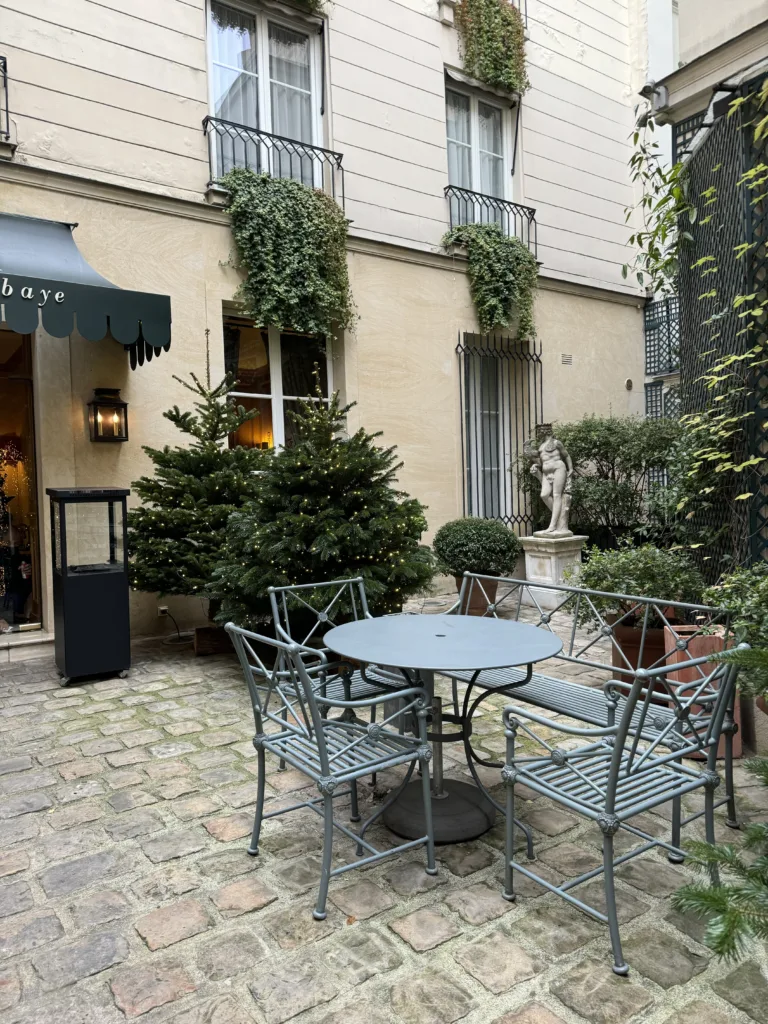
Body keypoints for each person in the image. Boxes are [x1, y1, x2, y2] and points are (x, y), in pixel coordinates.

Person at [527, 434, 573, 535]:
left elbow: (566, 455)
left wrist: (571, 468)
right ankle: (558, 516)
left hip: (558, 468)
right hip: (546, 472)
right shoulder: (541, 446)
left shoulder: (556, 443)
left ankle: (552, 525)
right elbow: (543, 461)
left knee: (557, 495)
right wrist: (536, 465)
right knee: (544, 495)